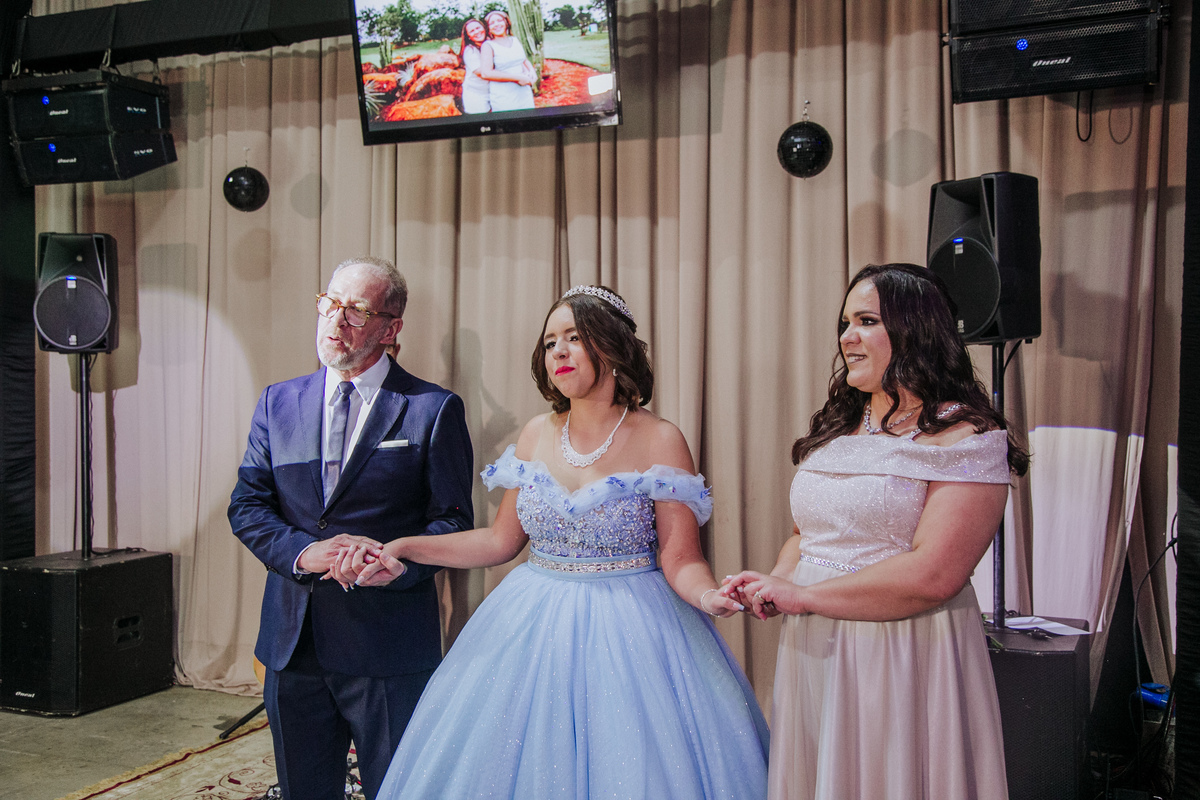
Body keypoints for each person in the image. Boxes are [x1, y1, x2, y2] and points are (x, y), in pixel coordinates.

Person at [355, 285, 769, 799]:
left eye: (574, 337)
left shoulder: (660, 438)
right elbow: (499, 542)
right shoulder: (535, 433)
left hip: (634, 630)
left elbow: (680, 557)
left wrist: (709, 597)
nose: (559, 352)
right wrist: (404, 547)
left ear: (612, 346)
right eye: (550, 342)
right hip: (529, 621)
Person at [722, 263, 1028, 800]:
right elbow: (805, 535)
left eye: (866, 321)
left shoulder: (966, 434)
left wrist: (803, 596)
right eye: (845, 323)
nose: (847, 337)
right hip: (814, 644)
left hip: (903, 646)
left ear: (916, 329)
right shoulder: (839, 427)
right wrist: (775, 583)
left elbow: (935, 574)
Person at [228, 257, 474, 800]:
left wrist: (396, 564)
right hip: (293, 644)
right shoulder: (278, 401)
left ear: (390, 328)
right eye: (330, 304)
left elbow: (453, 521)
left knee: (398, 790)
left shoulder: (432, 409)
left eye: (356, 310)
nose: (336, 320)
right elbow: (248, 506)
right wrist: (306, 553)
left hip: (387, 644)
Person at [479, 10, 536, 111]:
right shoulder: (488, 46)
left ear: (506, 22)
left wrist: (532, 72)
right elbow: (486, 73)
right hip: (504, 97)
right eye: (492, 23)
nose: (496, 24)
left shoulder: (515, 40)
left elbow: (523, 60)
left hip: (524, 93)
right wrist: (518, 78)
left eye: (499, 20)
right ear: (488, 28)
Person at [458, 18, 491, 114]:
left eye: (478, 28)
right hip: (476, 96)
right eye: (472, 31)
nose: (477, 32)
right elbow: (482, 73)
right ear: (468, 36)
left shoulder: (489, 44)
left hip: (491, 93)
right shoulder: (470, 51)